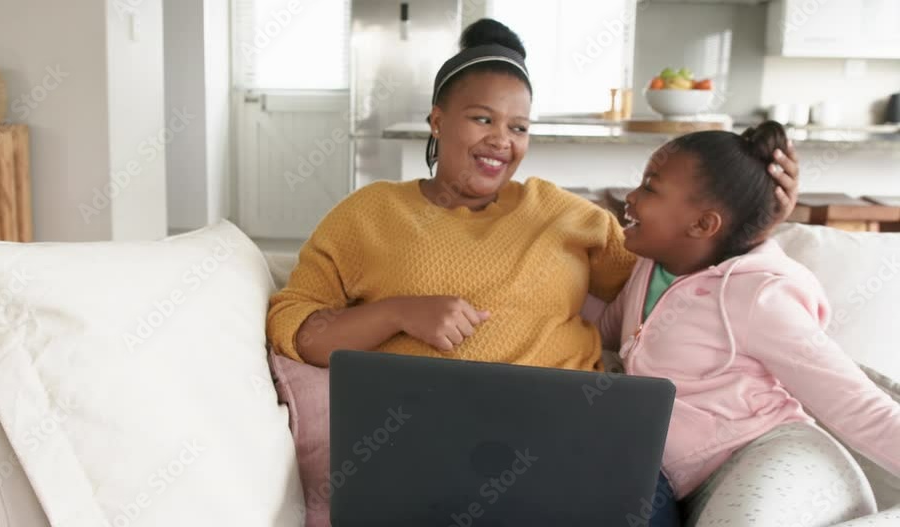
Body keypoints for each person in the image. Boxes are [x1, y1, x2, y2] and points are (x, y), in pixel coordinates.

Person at [267, 18, 799, 526]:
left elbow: (680, 271)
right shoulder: (368, 214)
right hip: (430, 452)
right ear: (437, 120)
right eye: (482, 119)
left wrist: (754, 224)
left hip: (573, 444)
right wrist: (399, 313)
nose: (503, 139)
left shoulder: (563, 213)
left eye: (518, 126)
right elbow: (294, 324)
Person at [599, 121, 900, 525]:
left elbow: (856, 405)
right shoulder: (650, 268)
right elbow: (601, 328)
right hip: (684, 474)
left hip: (771, 454)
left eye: (650, 187)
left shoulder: (760, 297)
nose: (630, 197)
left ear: (703, 225)